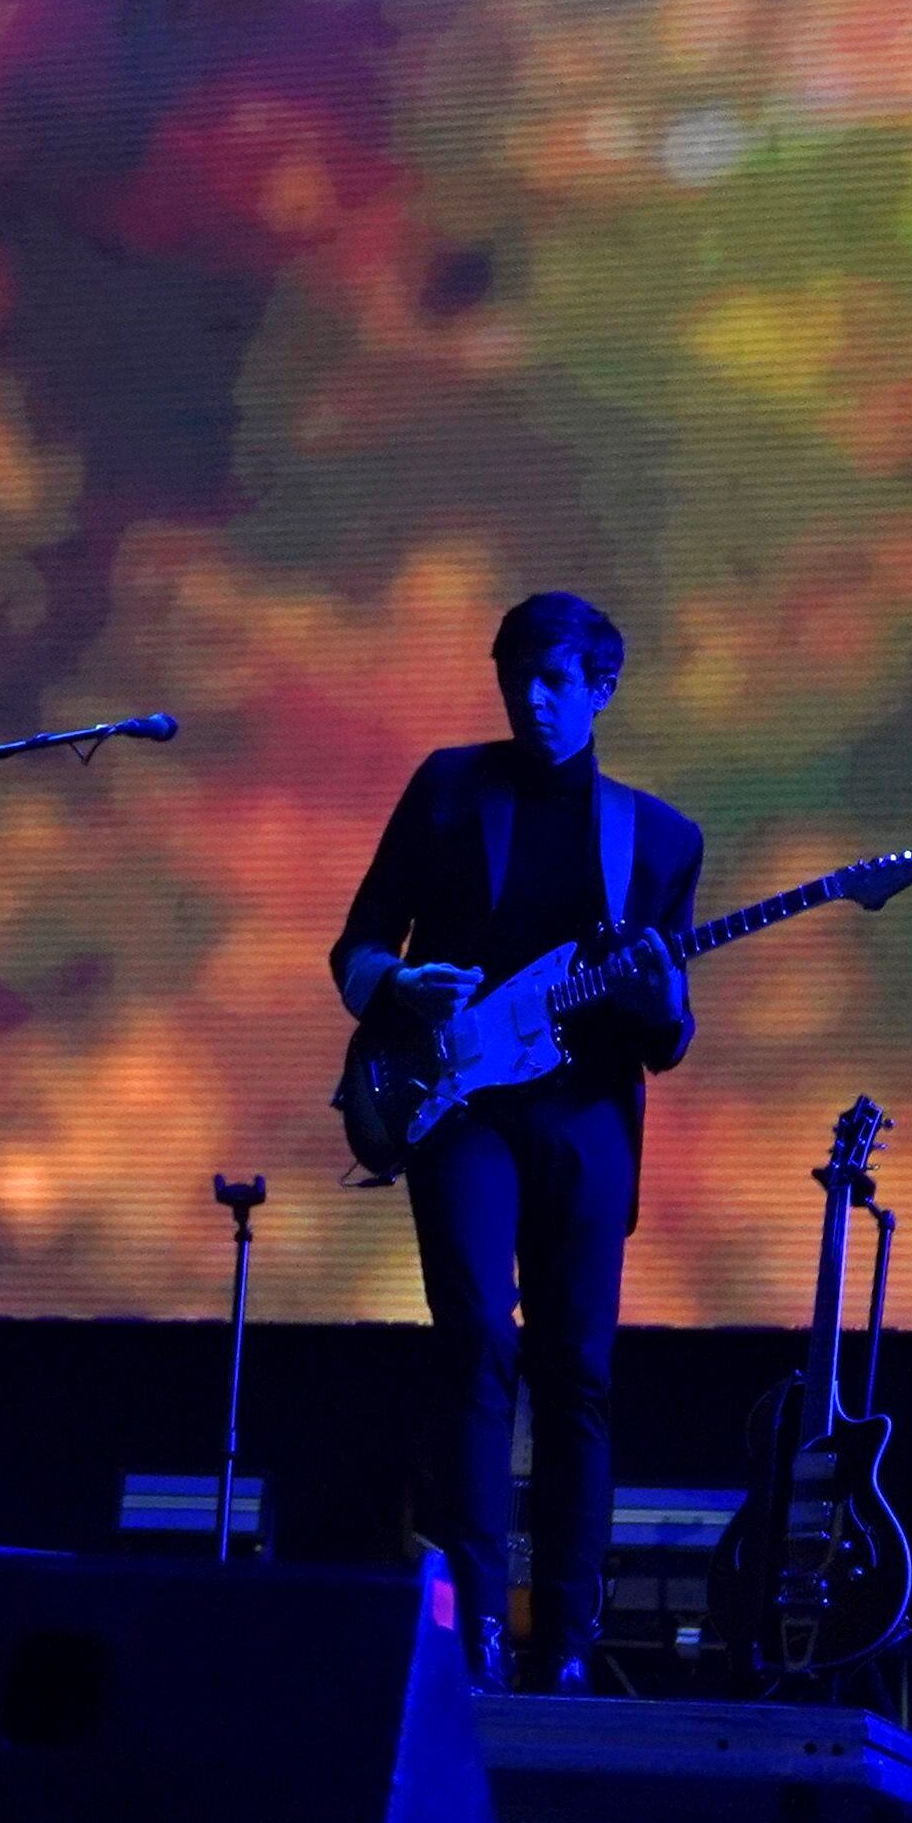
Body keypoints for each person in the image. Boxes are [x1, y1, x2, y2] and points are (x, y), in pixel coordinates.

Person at [330, 593, 699, 1693]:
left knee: (577, 1369)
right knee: (478, 1339)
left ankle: (571, 1642)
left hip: (586, 1115)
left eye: (553, 681)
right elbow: (352, 946)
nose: (530, 701)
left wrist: (662, 995)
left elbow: (667, 1039)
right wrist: (400, 983)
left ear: (601, 687)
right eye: (515, 680)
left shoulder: (662, 837)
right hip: (461, 1106)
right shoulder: (448, 786)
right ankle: (481, 1626)